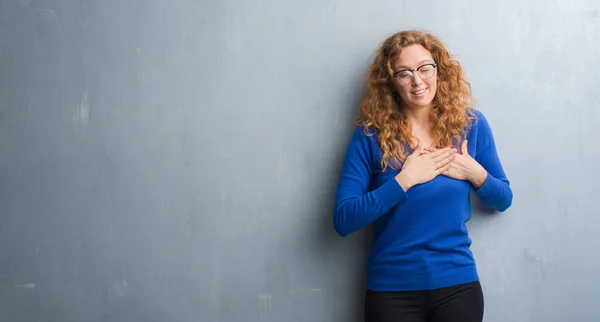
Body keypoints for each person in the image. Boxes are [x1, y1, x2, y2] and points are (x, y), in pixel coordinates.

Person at [332, 30, 513, 322]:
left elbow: (503, 198)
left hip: (458, 288)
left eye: (425, 68)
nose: (417, 80)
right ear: (390, 82)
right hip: (391, 292)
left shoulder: (471, 126)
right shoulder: (369, 137)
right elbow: (343, 219)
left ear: (439, 70)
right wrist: (405, 180)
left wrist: (474, 172)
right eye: (404, 73)